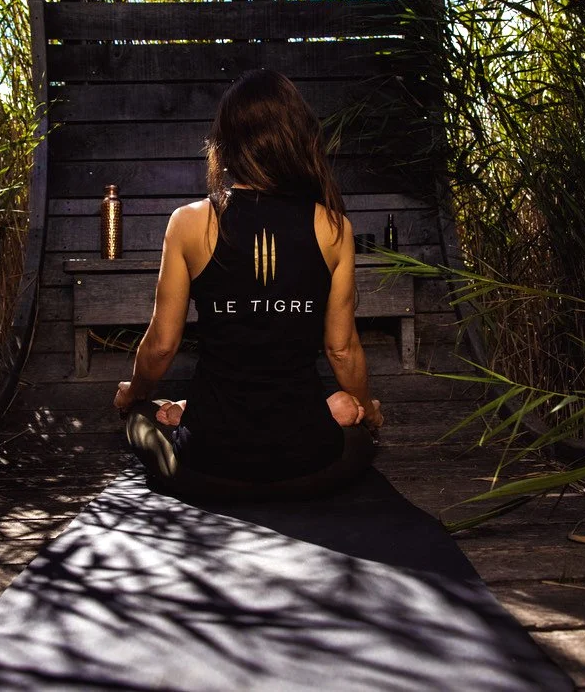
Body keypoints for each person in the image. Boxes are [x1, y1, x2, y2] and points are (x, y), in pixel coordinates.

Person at [112, 69, 384, 501]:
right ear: (297, 139)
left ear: (225, 142)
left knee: (140, 418)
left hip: (206, 466)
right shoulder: (333, 227)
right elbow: (342, 349)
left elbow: (161, 346)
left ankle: (186, 411)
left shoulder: (188, 223)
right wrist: (368, 411)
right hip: (307, 465)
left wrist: (133, 396)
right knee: (358, 428)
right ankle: (320, 415)